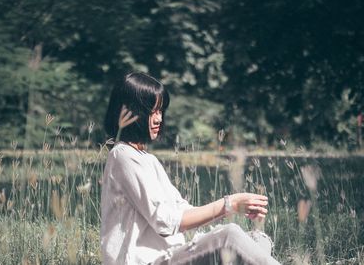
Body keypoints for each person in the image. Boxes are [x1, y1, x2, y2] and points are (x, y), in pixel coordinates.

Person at [101, 72, 280, 265]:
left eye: (160, 111)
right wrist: (229, 204)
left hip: (171, 255)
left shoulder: (147, 159)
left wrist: (235, 207)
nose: (159, 119)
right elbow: (166, 222)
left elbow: (181, 211)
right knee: (230, 236)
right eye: (152, 112)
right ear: (131, 112)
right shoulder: (123, 155)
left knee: (256, 240)